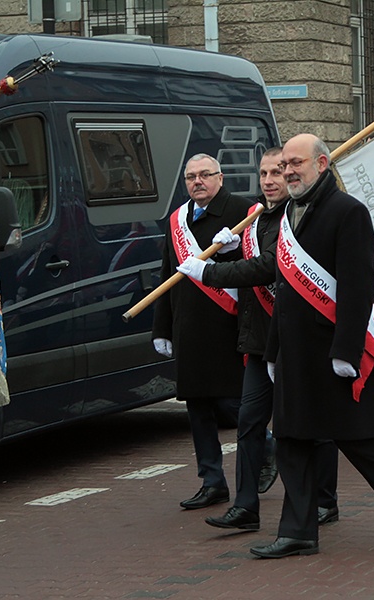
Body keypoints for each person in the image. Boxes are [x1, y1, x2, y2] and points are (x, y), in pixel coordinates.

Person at [253, 133, 374, 558]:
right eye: (284, 164)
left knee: (358, 440)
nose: (289, 171)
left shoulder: (348, 212)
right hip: (294, 352)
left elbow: (356, 286)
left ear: (323, 164)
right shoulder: (291, 211)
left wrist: (347, 352)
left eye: (296, 163)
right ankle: (299, 532)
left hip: (333, 352)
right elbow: (286, 290)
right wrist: (273, 350)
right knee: (292, 441)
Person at [177, 148, 340, 530]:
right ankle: (246, 507)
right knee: (249, 423)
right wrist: (232, 249)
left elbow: (268, 265)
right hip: (259, 341)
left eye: (277, 172)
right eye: (263, 173)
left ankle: (325, 500)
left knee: (312, 424)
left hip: (297, 341)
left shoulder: (298, 219)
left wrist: (210, 271)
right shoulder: (255, 219)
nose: (268, 180)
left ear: (291, 177)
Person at [152, 153, 253, 510]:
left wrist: (236, 248)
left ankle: (266, 450)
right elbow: (168, 274)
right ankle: (212, 481)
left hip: (227, 323)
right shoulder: (177, 219)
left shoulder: (244, 211)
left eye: (205, 175)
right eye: (191, 177)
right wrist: (161, 327)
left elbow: (259, 266)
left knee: (234, 402)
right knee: (197, 407)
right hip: (189, 326)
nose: (198, 181)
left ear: (220, 178)